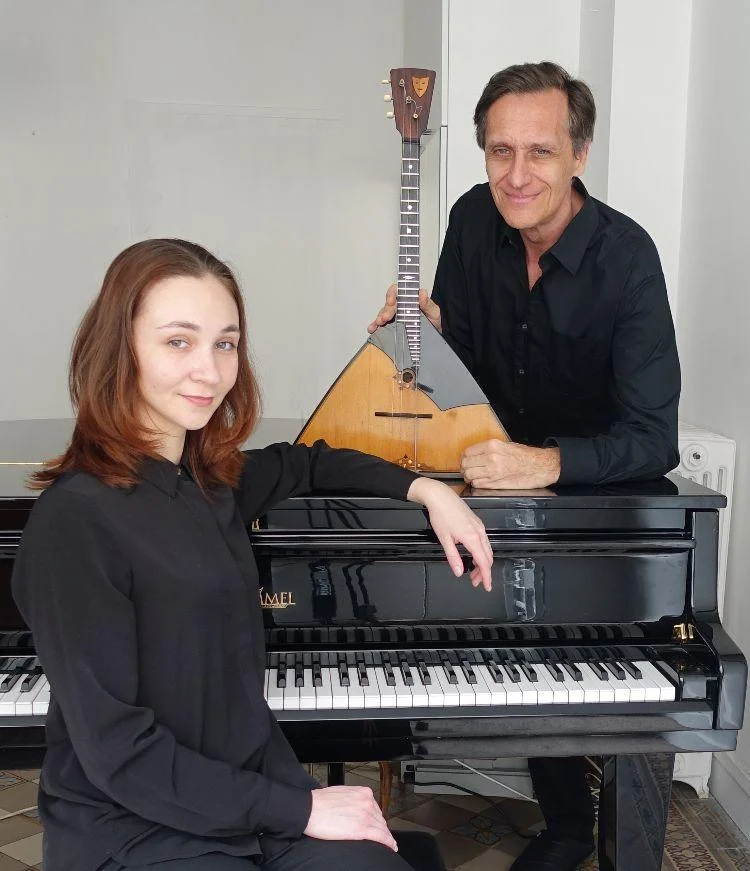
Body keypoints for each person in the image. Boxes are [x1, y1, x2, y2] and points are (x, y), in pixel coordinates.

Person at [11, 238, 495, 871]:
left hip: (248, 800)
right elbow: (119, 754)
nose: (209, 372)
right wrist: (302, 810)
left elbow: (307, 462)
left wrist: (426, 488)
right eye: (178, 341)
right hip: (138, 828)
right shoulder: (74, 522)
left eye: (225, 344)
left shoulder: (209, 481)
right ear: (120, 348)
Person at [368, 61, 680, 870]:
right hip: (488, 476)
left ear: (579, 153)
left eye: (539, 151)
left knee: (601, 667)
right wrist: (420, 334)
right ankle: (565, 824)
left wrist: (547, 463)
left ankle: (606, 838)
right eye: (499, 150)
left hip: (596, 496)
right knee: (517, 639)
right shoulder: (472, 220)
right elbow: (458, 372)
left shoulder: (627, 259)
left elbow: (655, 438)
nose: (516, 174)